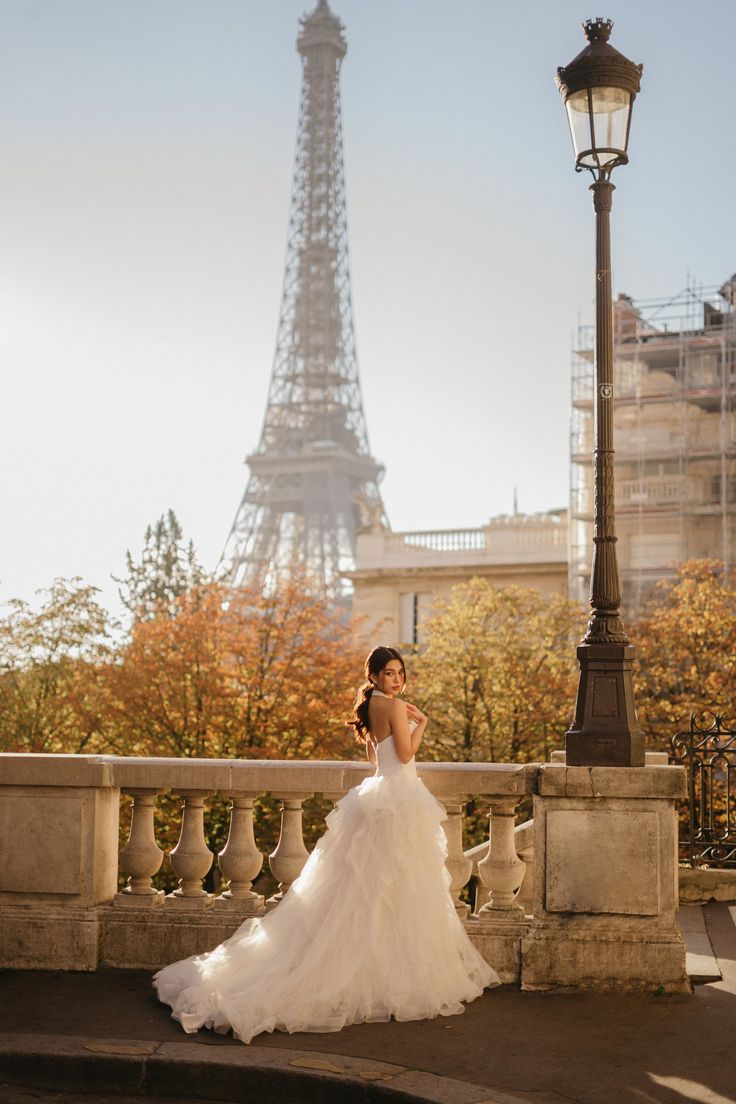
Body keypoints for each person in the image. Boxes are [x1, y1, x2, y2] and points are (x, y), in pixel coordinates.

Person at [153, 644, 499, 1043]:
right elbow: (405, 754)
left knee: (366, 893)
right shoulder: (394, 707)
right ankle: (385, 977)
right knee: (392, 892)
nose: (397, 680)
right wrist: (422, 722)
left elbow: (376, 758)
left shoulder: (372, 706)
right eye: (389, 673)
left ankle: (372, 971)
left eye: (400, 672)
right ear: (374, 676)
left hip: (377, 799)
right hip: (398, 802)